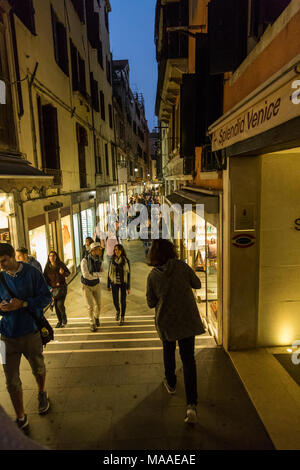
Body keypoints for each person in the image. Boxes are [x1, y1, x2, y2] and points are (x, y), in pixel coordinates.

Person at [146, 239, 205, 424]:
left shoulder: (153, 276)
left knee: (169, 351)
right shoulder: (182, 266)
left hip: (167, 321)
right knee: (189, 360)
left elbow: (150, 302)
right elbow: (197, 284)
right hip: (187, 319)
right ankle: (191, 405)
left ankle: (171, 383)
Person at [0, 243, 52, 433]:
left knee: (38, 367)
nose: (2, 266)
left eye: (4, 261)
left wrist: (23, 304)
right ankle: (21, 417)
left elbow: (46, 297)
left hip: (30, 332)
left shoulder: (32, 273)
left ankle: (41, 391)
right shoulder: (0, 277)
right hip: (5, 336)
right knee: (10, 380)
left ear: (13, 256)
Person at [43, 251, 70, 328]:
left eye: (53, 256)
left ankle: (63, 317)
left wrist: (63, 273)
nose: (52, 257)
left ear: (56, 257)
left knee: (60, 304)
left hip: (62, 288)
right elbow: (45, 279)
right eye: (50, 256)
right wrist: (49, 289)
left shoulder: (60, 264)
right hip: (53, 290)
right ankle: (59, 321)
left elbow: (68, 273)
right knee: (56, 306)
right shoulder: (47, 267)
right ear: (48, 257)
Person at [81, 242, 103, 332]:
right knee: (90, 306)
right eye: (99, 249)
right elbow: (86, 275)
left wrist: (94, 274)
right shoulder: (84, 261)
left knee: (99, 304)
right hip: (86, 285)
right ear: (93, 251)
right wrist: (97, 275)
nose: (100, 251)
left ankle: (96, 317)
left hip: (96, 284)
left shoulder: (100, 260)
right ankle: (92, 323)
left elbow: (102, 273)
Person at [107, 244, 130, 326]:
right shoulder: (112, 260)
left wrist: (128, 287)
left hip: (123, 283)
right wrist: (108, 284)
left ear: (121, 251)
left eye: (118, 250)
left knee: (123, 301)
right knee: (115, 300)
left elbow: (128, 274)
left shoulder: (125, 260)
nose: (116, 251)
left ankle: (122, 316)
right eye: (115, 250)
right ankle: (118, 310)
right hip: (114, 283)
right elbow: (109, 272)